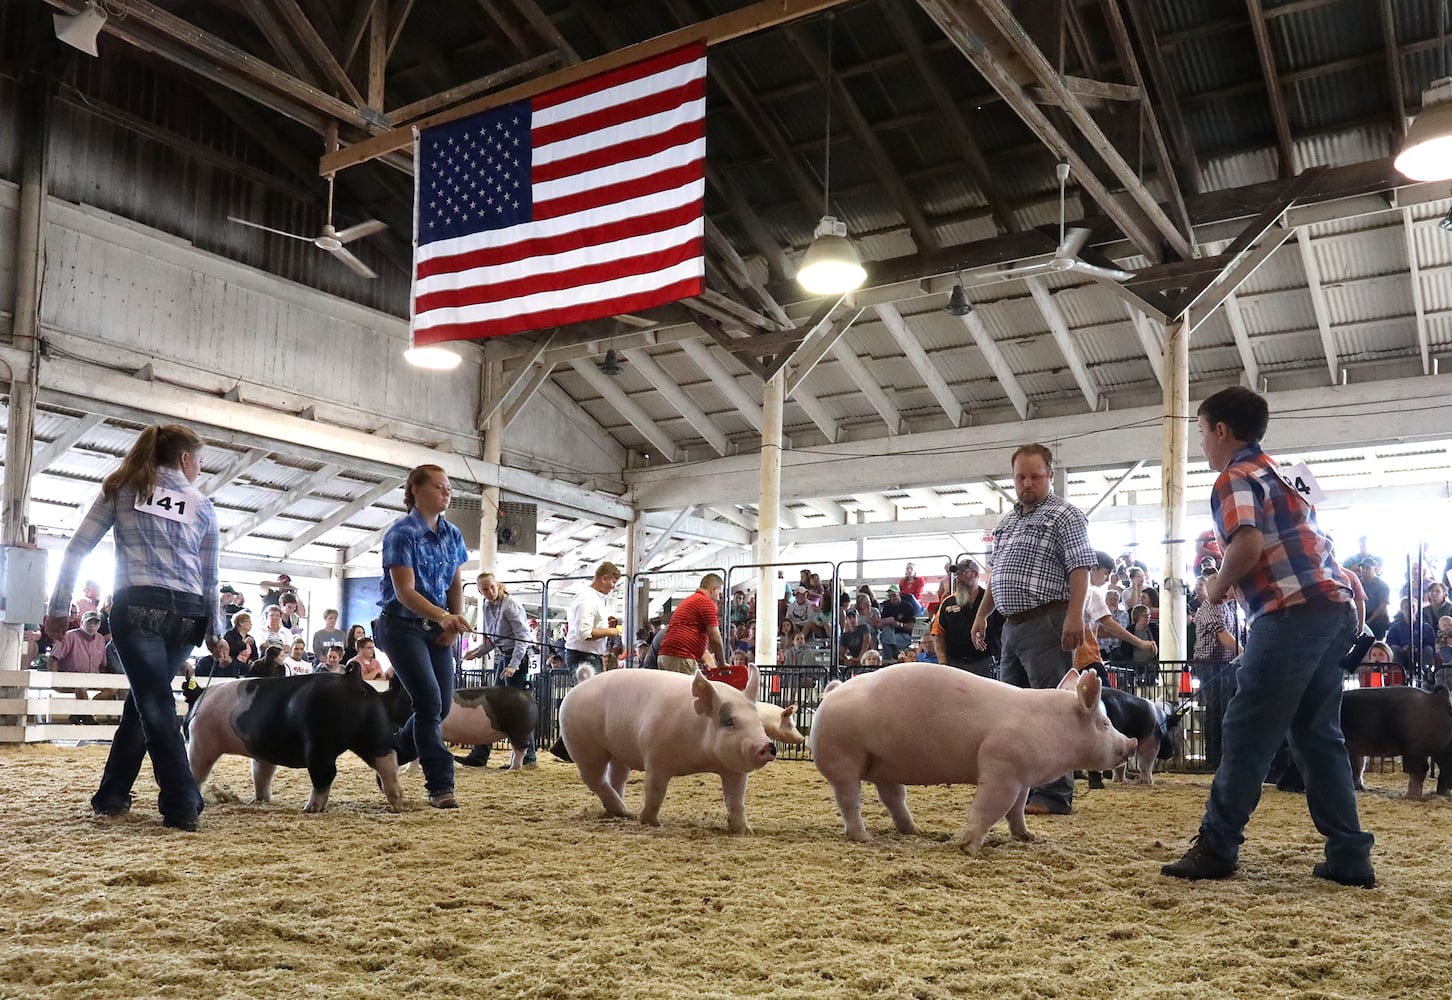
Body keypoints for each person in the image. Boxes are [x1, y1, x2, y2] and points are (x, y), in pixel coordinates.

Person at [1161, 386, 1372, 887]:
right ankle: (1349, 856)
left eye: (1200, 431)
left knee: (1248, 729)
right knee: (1318, 736)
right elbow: (1314, 540)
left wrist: (1215, 585)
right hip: (1333, 608)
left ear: (1220, 430)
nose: (1201, 443)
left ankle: (1217, 844)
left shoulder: (1232, 476)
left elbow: (1249, 542)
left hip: (1290, 615)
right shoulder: (1284, 472)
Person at [44, 424, 218, 831]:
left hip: (138, 605)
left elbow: (76, 549)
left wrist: (56, 607)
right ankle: (112, 795)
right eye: (199, 462)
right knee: (144, 702)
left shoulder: (123, 489)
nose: (200, 469)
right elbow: (210, 576)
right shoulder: (202, 504)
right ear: (185, 459)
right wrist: (214, 631)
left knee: (152, 701)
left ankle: (180, 799)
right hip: (188, 613)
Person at [969, 443, 1095, 816]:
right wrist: (981, 614)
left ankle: (1056, 793)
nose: (1026, 483)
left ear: (1050, 476)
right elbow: (996, 576)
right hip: (1013, 625)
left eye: (1035, 476)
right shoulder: (1007, 522)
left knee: (1052, 707)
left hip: (1048, 621)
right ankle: (1017, 789)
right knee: (1012, 711)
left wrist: (1076, 616)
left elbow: (1080, 568)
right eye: (1020, 476)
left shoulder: (1066, 515)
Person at [376, 464, 471, 811]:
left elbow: (455, 583)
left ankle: (391, 754)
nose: (446, 492)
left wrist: (452, 622)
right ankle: (440, 784)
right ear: (415, 489)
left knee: (441, 706)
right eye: (438, 486)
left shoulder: (453, 534)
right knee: (430, 704)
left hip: (437, 628)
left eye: (448, 487)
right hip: (401, 627)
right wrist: (444, 617)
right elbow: (404, 592)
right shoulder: (401, 534)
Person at [457, 572, 537, 769]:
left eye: (491, 587)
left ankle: (528, 756)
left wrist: (514, 665)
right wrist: (476, 653)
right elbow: (492, 639)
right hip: (503, 657)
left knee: (517, 709)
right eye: (484, 589)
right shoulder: (486, 606)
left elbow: (523, 637)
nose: (489, 591)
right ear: (480, 591)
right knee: (493, 706)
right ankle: (480, 754)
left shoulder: (510, 605)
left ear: (498, 585)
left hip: (517, 658)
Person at [658, 573, 728, 674]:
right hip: (680, 657)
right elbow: (715, 639)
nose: (718, 599)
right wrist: (722, 663)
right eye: (719, 594)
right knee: (687, 690)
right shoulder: (706, 603)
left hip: (667, 656)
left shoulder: (691, 600)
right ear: (713, 589)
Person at [932, 559, 992, 675]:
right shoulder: (947, 603)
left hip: (984, 662)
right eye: (956, 574)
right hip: (954, 664)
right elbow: (938, 635)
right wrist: (943, 663)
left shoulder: (990, 601)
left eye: (963, 573)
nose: (958, 578)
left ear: (975, 574)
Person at [565, 562, 623, 673]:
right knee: (589, 690)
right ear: (604, 578)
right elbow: (584, 633)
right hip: (584, 657)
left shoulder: (593, 598)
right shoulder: (588, 599)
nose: (614, 586)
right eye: (613, 582)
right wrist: (610, 631)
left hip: (587, 656)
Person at [876, 584, 916, 661]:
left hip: (904, 635)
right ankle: (894, 652)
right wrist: (883, 622)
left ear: (899, 594)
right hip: (889, 634)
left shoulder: (907, 606)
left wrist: (899, 625)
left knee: (886, 642)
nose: (892, 598)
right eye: (890, 596)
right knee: (887, 630)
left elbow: (911, 626)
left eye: (894, 595)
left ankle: (887, 661)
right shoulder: (887, 607)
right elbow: (881, 627)